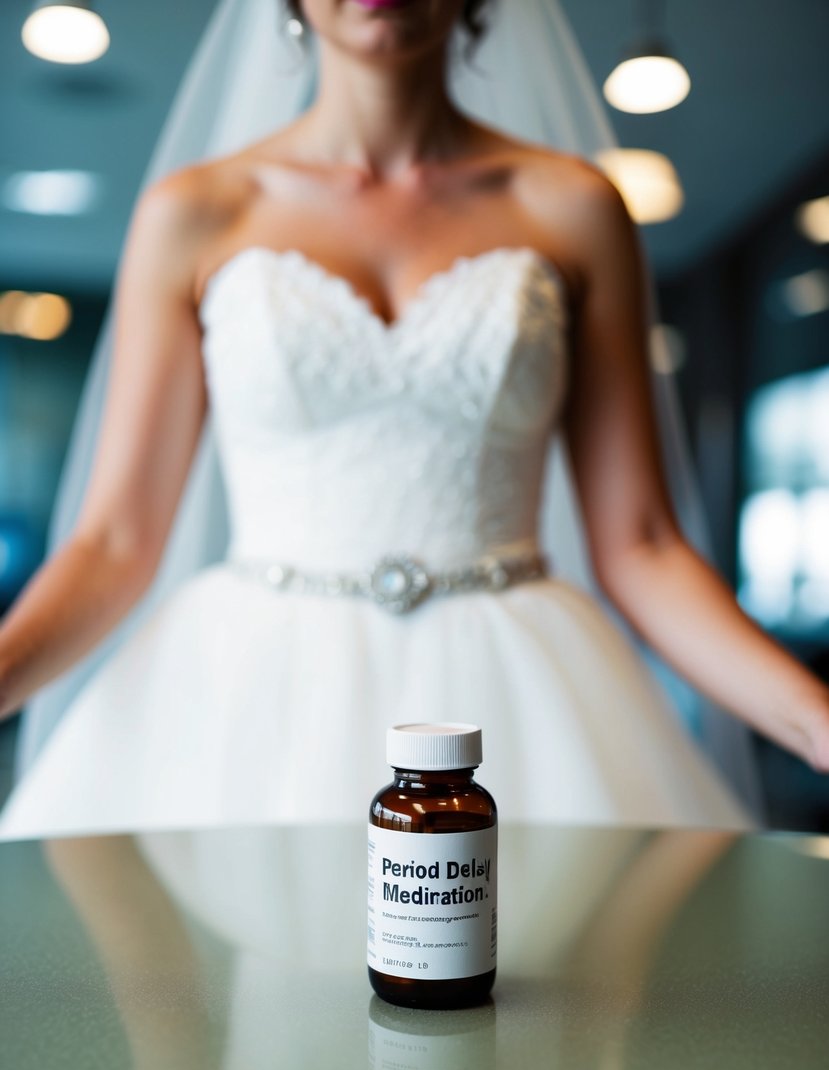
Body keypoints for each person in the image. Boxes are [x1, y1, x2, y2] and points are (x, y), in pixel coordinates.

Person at [0, 0, 826, 840]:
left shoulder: (574, 207)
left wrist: (814, 718)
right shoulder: (194, 213)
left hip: (520, 700)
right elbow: (114, 543)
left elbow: (642, 545)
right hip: (247, 697)